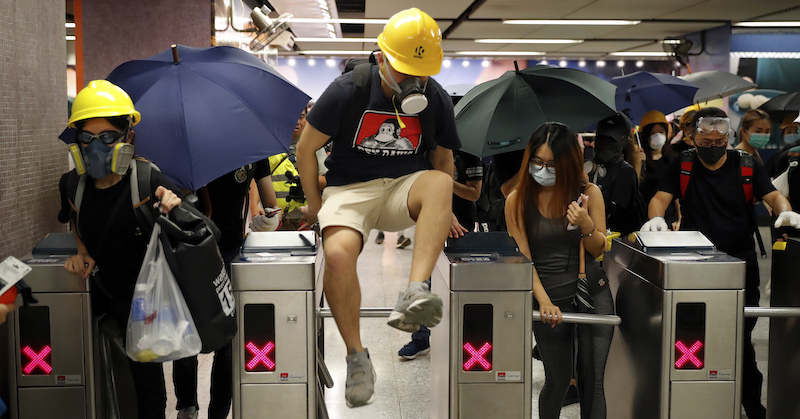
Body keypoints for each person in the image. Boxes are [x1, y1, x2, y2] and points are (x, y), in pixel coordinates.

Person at [295, 7, 465, 407]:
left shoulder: (435, 99)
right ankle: (357, 356)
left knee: (441, 183)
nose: (413, 82)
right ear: (382, 58)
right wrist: (317, 207)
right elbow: (305, 148)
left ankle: (415, 293)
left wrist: (443, 207)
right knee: (337, 256)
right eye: (405, 71)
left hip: (404, 185)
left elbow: (443, 164)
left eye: (421, 73)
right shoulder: (348, 90)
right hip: (350, 188)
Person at [641, 107, 800, 419]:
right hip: (694, 268)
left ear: (728, 137)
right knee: (692, 339)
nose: (712, 148)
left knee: (738, 341)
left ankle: (752, 406)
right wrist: (656, 217)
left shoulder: (747, 165)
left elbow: (772, 196)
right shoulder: (683, 163)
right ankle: (695, 400)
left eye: (719, 142)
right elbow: (660, 197)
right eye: (706, 142)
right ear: (694, 137)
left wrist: (786, 209)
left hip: (741, 269)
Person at [60, 80, 184, 419]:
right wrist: (80, 250)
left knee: (146, 385)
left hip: (143, 299)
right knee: (89, 373)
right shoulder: (72, 184)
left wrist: (172, 206)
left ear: (126, 137)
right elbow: (74, 218)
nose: (95, 146)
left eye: (107, 137)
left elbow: (189, 231)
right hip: (100, 292)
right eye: (86, 137)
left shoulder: (148, 180)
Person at [505, 122, 610, 419]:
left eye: (551, 164)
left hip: (591, 291)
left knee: (594, 382)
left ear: (567, 163)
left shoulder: (589, 193)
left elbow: (598, 248)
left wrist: (586, 225)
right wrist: (544, 301)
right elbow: (524, 258)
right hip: (547, 297)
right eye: (536, 162)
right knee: (559, 378)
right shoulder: (517, 200)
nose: (542, 169)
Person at [172, 161, 279, 419]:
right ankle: (187, 406)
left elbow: (271, 203)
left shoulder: (252, 151)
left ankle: (218, 412)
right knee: (187, 331)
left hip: (231, 251)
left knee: (227, 338)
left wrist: (269, 219)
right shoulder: (190, 150)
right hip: (189, 252)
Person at [398, 149, 483, 359]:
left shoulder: (470, 154)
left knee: (458, 283)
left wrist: (442, 182)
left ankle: (460, 336)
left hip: (461, 227)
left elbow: (474, 193)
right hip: (430, 222)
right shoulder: (428, 149)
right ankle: (420, 338)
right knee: (423, 280)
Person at [589, 112, 644, 235]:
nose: (604, 143)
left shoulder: (626, 173)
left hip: (614, 243)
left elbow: (615, 215)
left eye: (611, 139)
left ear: (623, 141)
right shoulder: (589, 168)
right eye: (601, 137)